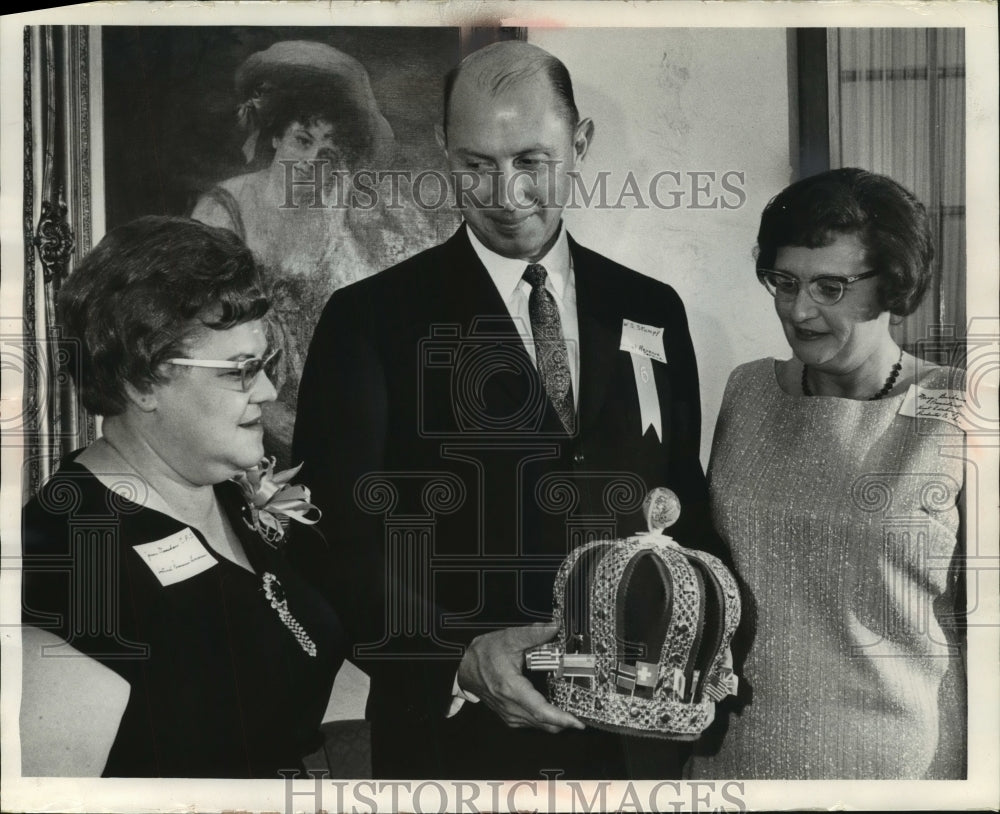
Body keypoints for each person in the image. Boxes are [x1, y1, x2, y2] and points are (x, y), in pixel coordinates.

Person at [294, 41, 734, 779]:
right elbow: (334, 535)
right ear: (443, 147)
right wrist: (455, 660)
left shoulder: (650, 307)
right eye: (476, 164)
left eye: (532, 160)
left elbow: (676, 498)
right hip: (457, 745)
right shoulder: (368, 318)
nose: (506, 193)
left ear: (580, 144)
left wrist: (705, 650)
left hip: (635, 743)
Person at [20, 216, 347, 778]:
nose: (269, 391)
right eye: (243, 371)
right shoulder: (68, 558)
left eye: (265, 365)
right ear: (142, 382)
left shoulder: (221, 492)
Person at [690, 168, 966, 779]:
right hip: (734, 756)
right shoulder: (750, 390)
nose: (799, 310)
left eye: (830, 287)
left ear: (892, 284)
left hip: (894, 773)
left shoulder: (958, 407)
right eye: (784, 282)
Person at [191, 40, 431, 462]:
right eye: (302, 140)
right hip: (246, 421)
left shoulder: (352, 210)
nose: (311, 162)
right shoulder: (224, 211)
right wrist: (266, 413)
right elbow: (200, 338)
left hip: (344, 423)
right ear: (277, 135)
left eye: (328, 154)